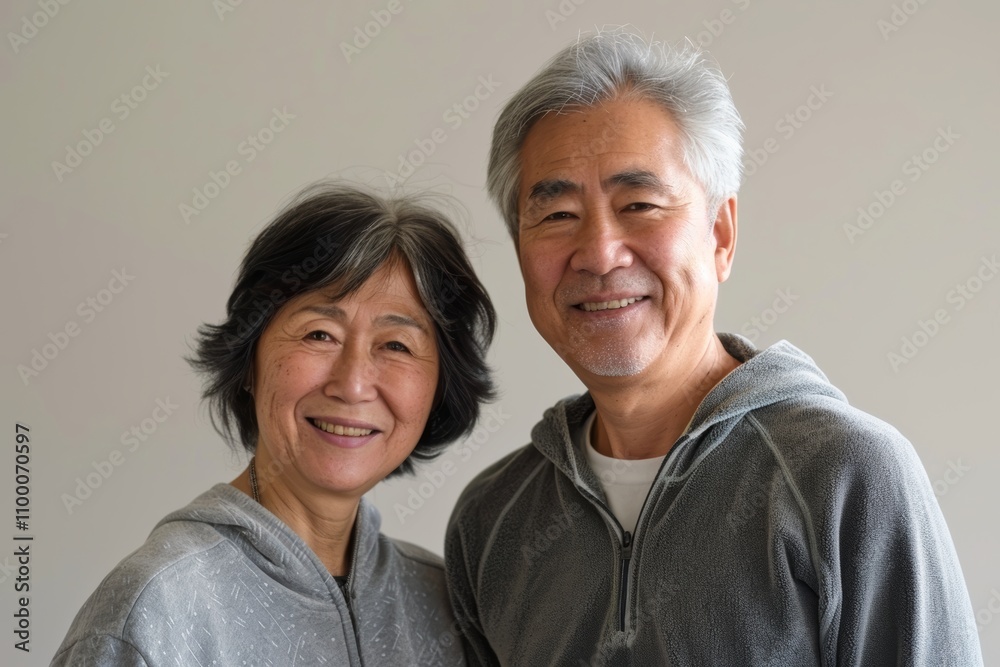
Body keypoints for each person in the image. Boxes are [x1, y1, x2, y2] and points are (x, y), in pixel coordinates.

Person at [445, 29, 983, 665]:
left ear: (721, 235)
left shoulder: (845, 477)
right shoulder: (492, 521)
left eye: (639, 204)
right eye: (557, 215)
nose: (597, 253)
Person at [52, 182, 495, 666]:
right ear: (249, 361)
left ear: (438, 388)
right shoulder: (156, 610)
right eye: (320, 334)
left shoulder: (447, 606)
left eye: (396, 345)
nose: (353, 384)